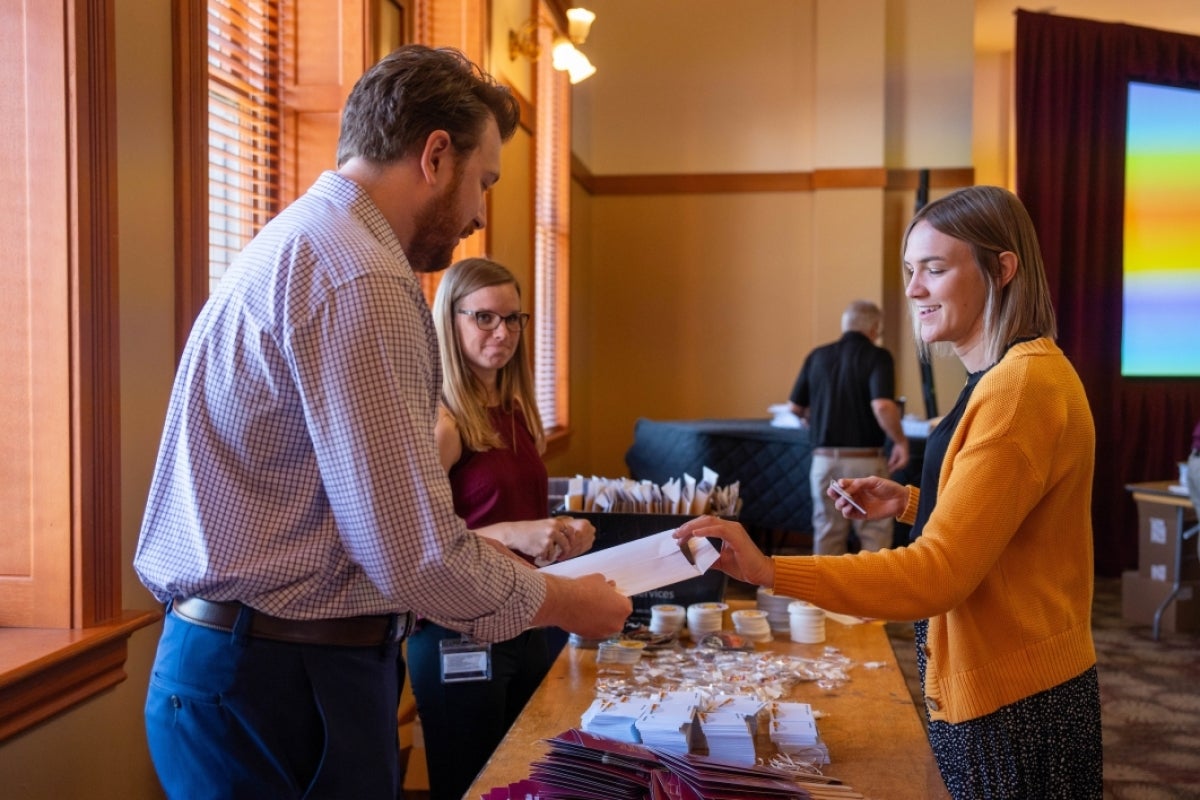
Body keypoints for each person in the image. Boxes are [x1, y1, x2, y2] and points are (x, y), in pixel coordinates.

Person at [133, 45, 630, 799]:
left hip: (247, 659)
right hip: (279, 676)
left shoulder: (304, 239)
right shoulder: (362, 276)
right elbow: (416, 554)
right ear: (435, 154)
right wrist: (570, 602)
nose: (478, 214)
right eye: (483, 182)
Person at [678, 185, 1101, 799]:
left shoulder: (1018, 388)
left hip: (1016, 700)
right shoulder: (1012, 374)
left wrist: (771, 571)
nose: (912, 290)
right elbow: (1009, 526)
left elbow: (939, 575)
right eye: (909, 270)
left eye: (934, 268)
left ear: (1002, 269)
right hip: (1017, 680)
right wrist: (909, 503)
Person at [405, 257, 596, 800]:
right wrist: (513, 532)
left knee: (530, 776)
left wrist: (561, 530)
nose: (503, 333)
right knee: (471, 784)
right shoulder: (443, 422)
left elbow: (511, 510)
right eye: (485, 319)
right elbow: (417, 540)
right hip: (459, 631)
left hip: (528, 616)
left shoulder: (515, 410)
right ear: (452, 320)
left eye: (513, 320)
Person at [788, 299, 909, 554]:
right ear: (875, 327)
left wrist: (812, 417)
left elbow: (795, 408)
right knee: (874, 534)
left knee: (827, 532)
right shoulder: (878, 356)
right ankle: (871, 594)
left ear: (846, 324)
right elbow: (883, 406)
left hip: (823, 463)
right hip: (864, 463)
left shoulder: (817, 356)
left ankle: (824, 595)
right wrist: (900, 441)